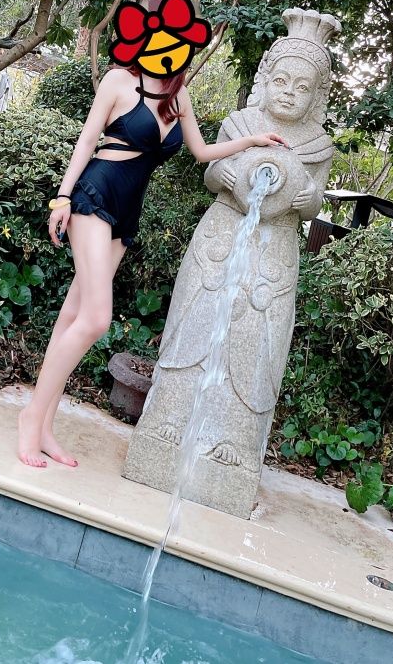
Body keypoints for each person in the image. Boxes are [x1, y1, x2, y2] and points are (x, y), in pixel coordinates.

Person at [17, 23, 291, 468]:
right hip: (96, 194)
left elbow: (201, 152)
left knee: (73, 314)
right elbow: (87, 140)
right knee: (95, 319)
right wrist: (63, 198)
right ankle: (31, 416)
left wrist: (252, 141)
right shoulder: (119, 80)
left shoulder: (179, 96)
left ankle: (45, 424)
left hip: (128, 211)